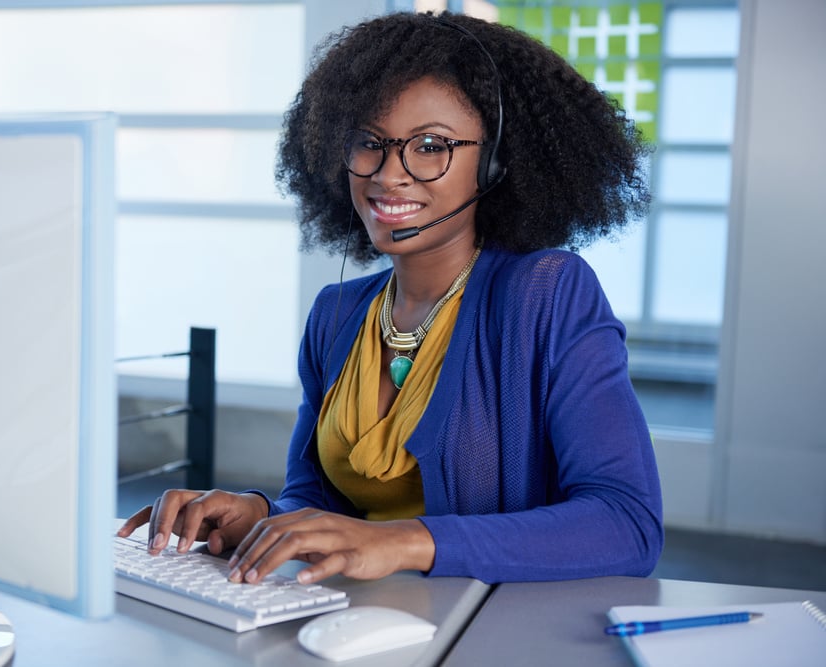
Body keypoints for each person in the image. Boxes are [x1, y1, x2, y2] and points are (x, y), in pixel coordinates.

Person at [119, 10, 663, 586]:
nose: (388, 175)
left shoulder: (547, 294)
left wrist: (404, 542)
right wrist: (262, 515)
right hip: (355, 624)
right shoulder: (337, 315)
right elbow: (319, 503)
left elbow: (627, 523)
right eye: (369, 143)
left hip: (488, 627)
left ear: (498, 161)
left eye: (430, 145)